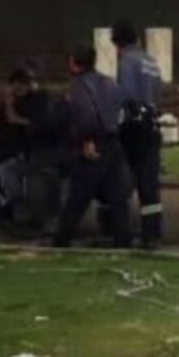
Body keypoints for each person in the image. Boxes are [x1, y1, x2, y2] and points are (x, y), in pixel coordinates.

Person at [52, 43, 132, 248]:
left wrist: (87, 140)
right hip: (114, 143)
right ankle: (123, 239)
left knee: (78, 196)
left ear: (73, 62)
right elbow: (122, 111)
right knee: (118, 198)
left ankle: (62, 238)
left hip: (94, 144)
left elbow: (85, 115)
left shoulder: (79, 85)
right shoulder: (109, 82)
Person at [111, 20, 163, 247]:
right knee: (149, 186)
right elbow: (158, 93)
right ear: (138, 38)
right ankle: (152, 235)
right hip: (152, 127)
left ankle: (121, 232)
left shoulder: (127, 61)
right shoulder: (150, 61)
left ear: (117, 44)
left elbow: (126, 97)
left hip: (133, 131)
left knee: (120, 182)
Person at [0, 66, 53, 221]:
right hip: (1, 148)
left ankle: (17, 207)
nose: (19, 89)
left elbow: (23, 121)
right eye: (16, 85)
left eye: (23, 85)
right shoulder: (10, 101)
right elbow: (1, 123)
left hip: (22, 149)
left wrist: (10, 105)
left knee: (6, 169)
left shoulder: (38, 100)